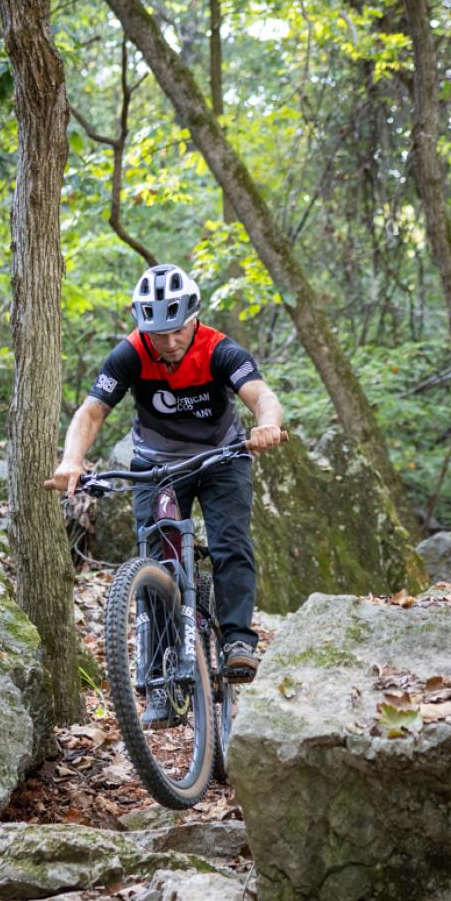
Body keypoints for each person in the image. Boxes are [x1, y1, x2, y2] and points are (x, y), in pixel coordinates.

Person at [46, 263, 284, 684]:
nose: (171, 343)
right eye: (160, 334)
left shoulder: (219, 349)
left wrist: (265, 424)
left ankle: (236, 641)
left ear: (194, 318)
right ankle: (160, 667)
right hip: (157, 465)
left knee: (230, 541)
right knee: (155, 559)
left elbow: (261, 395)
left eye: (179, 330)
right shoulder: (131, 353)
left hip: (221, 458)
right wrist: (71, 460)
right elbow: (92, 410)